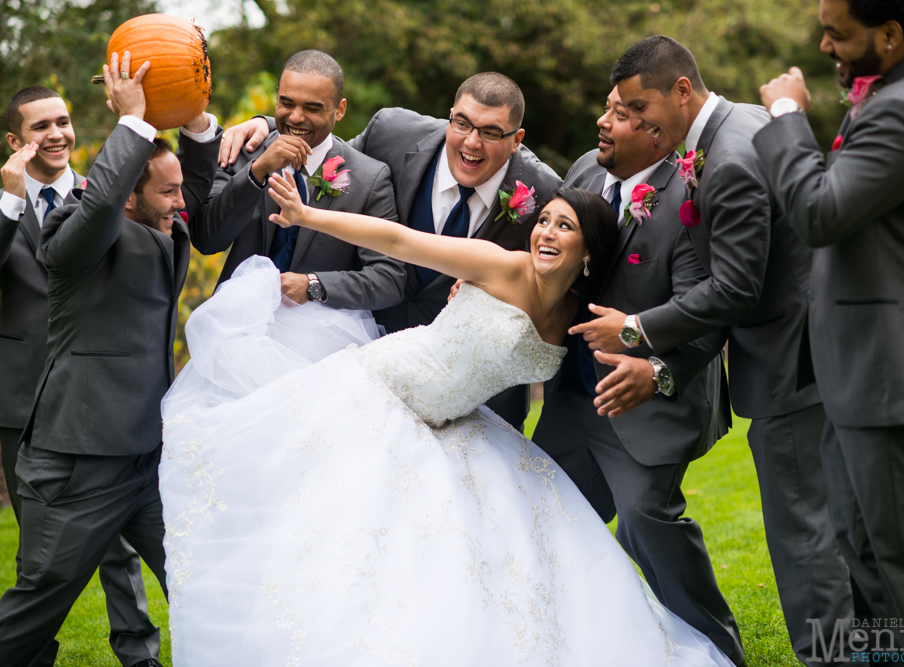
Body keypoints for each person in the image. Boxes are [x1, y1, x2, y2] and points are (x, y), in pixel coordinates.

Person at [157, 177, 735, 666]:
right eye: (545, 221)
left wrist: (648, 355)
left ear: (588, 252)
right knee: (340, 534)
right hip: (382, 391)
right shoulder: (502, 266)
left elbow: (657, 327)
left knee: (482, 551)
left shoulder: (578, 316)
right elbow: (400, 239)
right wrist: (310, 214)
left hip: (454, 422)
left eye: (564, 226)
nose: (545, 233)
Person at [579, 36, 853, 666]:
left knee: (804, 541)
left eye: (641, 107)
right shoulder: (740, 126)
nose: (637, 122)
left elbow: (734, 286)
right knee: (836, 531)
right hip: (819, 354)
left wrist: (636, 329)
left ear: (681, 90)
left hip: (792, 366)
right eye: (624, 108)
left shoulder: (725, 158)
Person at [755, 0, 904, 654]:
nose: (825, 45)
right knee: (864, 555)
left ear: (890, 34)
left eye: (838, 33)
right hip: (866, 373)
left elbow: (820, 212)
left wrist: (786, 115)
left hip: (898, 376)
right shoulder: (897, 90)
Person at [0, 52, 222, 667]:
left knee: (203, 580)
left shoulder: (161, 224)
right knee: (38, 601)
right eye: (168, 191)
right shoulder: (75, 237)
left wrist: (194, 113)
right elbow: (99, 207)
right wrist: (133, 122)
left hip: (147, 457)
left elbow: (195, 191)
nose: (182, 203)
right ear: (129, 196)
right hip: (77, 462)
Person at [221, 72, 562, 430]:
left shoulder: (545, 193)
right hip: (369, 361)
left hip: (473, 398)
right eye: (461, 123)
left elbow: (551, 290)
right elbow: (326, 157)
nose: (472, 143)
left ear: (516, 139)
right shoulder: (393, 132)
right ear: (449, 116)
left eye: (491, 132)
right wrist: (265, 126)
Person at [530, 85, 739, 664]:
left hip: (648, 402)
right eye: (605, 108)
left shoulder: (689, 194)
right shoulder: (583, 171)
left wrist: (656, 371)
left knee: (646, 524)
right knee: (539, 513)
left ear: (653, 129)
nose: (603, 121)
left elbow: (708, 309)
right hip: (572, 393)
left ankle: (720, 650)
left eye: (620, 115)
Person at [0, 85, 162, 667]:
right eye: (40, 127)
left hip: (103, 403)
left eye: (64, 122)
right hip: (25, 404)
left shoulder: (105, 197)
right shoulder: (4, 205)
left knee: (118, 545)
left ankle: (137, 652)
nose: (57, 135)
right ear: (16, 143)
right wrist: (9, 202)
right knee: (43, 556)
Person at [190, 49, 404, 311]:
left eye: (312, 108)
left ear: (340, 110)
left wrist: (314, 285)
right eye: (287, 103)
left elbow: (389, 279)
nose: (295, 117)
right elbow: (206, 240)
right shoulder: (242, 151)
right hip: (237, 324)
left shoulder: (370, 178)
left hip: (323, 336)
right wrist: (257, 172)